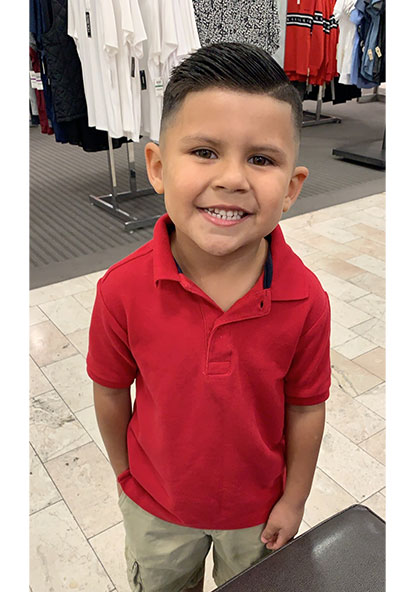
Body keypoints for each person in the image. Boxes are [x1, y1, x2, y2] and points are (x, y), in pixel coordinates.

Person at [87, 42, 331, 592]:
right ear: (157, 166)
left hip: (258, 512)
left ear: (292, 188)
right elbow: (109, 390)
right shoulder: (121, 289)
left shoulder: (306, 300)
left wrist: (294, 500)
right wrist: (127, 476)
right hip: (156, 508)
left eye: (261, 159)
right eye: (203, 151)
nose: (232, 179)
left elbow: (306, 407)